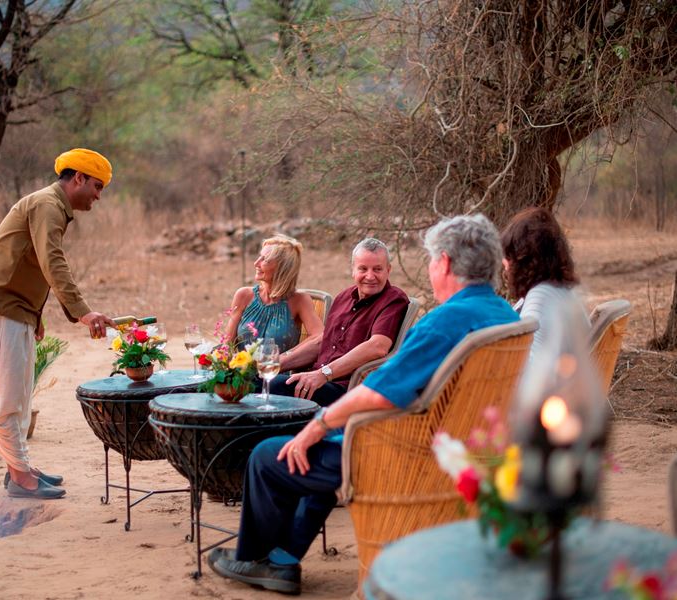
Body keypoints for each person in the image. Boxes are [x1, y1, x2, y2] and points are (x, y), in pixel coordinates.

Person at [208, 214, 520, 595]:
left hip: (399, 453)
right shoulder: (504, 313)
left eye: (432, 260)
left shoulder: (445, 322)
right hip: (458, 448)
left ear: (446, 264)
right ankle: (284, 562)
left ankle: (252, 558)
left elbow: (378, 393)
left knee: (269, 456)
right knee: (320, 443)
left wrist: (316, 429)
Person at [0, 148, 117, 500]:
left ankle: (20, 467)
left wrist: (35, 314)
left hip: (14, 310)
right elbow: (52, 260)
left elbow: (26, 261)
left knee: (15, 394)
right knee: (11, 398)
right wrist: (83, 311)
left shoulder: (48, 204)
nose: (98, 195)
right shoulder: (48, 206)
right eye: (96, 185)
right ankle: (20, 477)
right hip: (2, 309)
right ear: (77, 178)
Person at [269, 237, 409, 407]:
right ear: (353, 270)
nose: (370, 276)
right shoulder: (344, 297)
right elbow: (323, 344)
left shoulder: (393, 300)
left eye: (377, 269)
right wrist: (275, 365)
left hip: (346, 389)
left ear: (388, 270)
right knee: (255, 380)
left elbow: (378, 347)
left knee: (272, 387)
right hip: (316, 379)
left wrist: (323, 374)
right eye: (363, 269)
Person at [500, 207, 588, 361]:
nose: (505, 264)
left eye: (509, 255)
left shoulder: (539, 300)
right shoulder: (563, 291)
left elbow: (530, 372)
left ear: (524, 259)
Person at [225, 234, 323, 352]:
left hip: (278, 369)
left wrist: (286, 358)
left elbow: (320, 336)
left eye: (264, 259)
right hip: (242, 369)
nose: (256, 263)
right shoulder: (244, 295)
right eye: (259, 257)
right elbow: (227, 344)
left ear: (282, 267)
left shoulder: (299, 300)